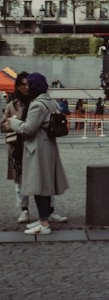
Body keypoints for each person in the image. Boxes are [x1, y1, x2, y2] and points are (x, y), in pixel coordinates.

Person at [7, 73, 69, 234]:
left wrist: (13, 122)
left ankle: (44, 224)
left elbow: (28, 128)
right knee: (43, 185)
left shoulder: (37, 105)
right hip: (47, 147)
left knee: (39, 186)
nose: (27, 88)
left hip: (37, 149)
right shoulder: (49, 101)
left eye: (29, 85)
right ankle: (43, 218)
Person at [4, 71, 32, 222]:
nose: (26, 87)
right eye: (23, 84)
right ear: (17, 86)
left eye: (28, 84)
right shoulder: (11, 105)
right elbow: (3, 124)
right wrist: (13, 123)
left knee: (42, 178)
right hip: (16, 147)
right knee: (19, 180)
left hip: (33, 145)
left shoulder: (36, 102)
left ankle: (48, 210)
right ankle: (24, 209)